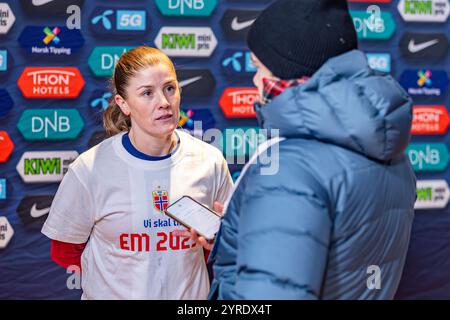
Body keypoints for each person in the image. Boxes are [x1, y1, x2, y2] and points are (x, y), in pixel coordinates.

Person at [208, 0, 416, 300]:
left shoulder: (290, 170)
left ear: (286, 71)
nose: (254, 80)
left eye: (258, 67)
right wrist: (243, 236)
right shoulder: (393, 155)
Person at [41, 46, 233, 300]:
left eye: (169, 88)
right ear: (124, 104)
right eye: (147, 93)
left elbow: (226, 245)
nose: (163, 103)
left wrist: (218, 240)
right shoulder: (90, 169)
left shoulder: (209, 161)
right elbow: (64, 250)